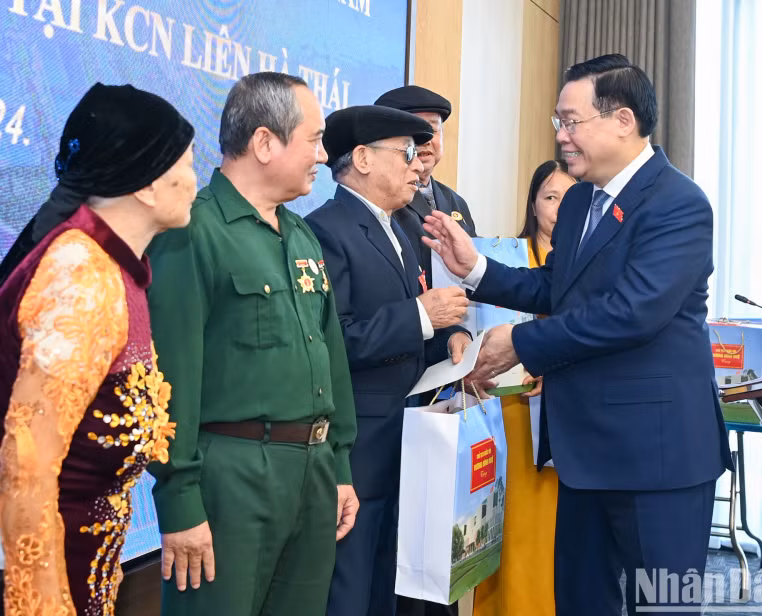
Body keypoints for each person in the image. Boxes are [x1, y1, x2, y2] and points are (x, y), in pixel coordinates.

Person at [423, 54, 732, 616]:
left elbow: (632, 311)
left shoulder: (678, 204)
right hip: (584, 452)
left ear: (623, 120)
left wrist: (520, 344)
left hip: (657, 458)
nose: (562, 136)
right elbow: (559, 287)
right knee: (580, 603)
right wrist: (476, 271)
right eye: (557, 123)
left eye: (572, 121)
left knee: (662, 606)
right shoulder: (582, 202)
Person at [145, 72, 357, 616]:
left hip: (311, 476)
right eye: (313, 138)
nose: (323, 153)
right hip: (231, 480)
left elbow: (332, 360)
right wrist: (179, 499)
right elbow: (169, 377)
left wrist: (339, 469)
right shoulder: (192, 231)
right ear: (265, 142)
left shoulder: (303, 236)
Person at [0, 83, 195, 615]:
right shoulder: (80, 279)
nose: (195, 182)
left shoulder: (116, 270)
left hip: (89, 566)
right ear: (149, 186)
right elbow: (28, 467)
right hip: (54, 582)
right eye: (187, 164)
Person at [305, 105, 471, 616]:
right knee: (351, 592)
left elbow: (421, 325)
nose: (416, 165)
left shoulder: (403, 228)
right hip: (358, 450)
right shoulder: (325, 230)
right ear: (361, 158)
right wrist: (420, 316)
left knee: (392, 593)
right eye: (404, 153)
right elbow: (335, 339)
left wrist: (452, 343)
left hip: (410, 443)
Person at [473, 159, 575, 616]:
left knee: (554, 534)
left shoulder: (583, 267)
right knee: (506, 526)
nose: (558, 208)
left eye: (569, 198)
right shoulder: (510, 258)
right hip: (509, 413)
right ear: (533, 204)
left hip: (561, 415)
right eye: (550, 197)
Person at [375, 85, 476, 293]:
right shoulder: (382, 199)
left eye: (432, 129)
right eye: (415, 130)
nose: (426, 140)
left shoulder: (456, 202)